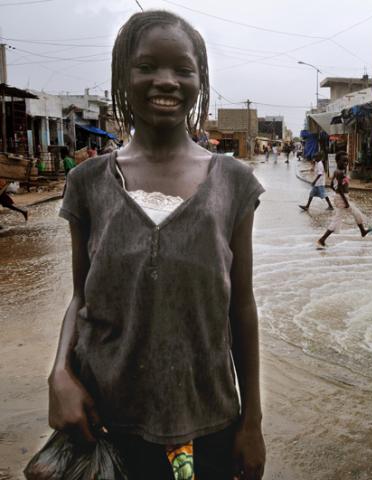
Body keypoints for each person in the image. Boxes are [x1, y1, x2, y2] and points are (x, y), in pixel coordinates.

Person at [48, 11, 265, 479]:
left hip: (208, 417)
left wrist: (253, 422)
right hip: (103, 420)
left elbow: (241, 307)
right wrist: (60, 374)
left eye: (182, 70)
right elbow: (81, 296)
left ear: (199, 79)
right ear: (123, 76)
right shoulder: (86, 182)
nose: (165, 81)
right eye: (147, 66)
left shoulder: (233, 182)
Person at [316, 152, 372, 249]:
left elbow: (331, 185)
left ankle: (363, 231)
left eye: (347, 161)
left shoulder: (338, 171)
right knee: (337, 220)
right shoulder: (340, 173)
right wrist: (345, 201)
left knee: (356, 213)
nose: (346, 163)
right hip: (343, 198)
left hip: (342, 197)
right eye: (343, 161)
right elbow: (339, 188)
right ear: (337, 161)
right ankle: (322, 240)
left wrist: (338, 194)